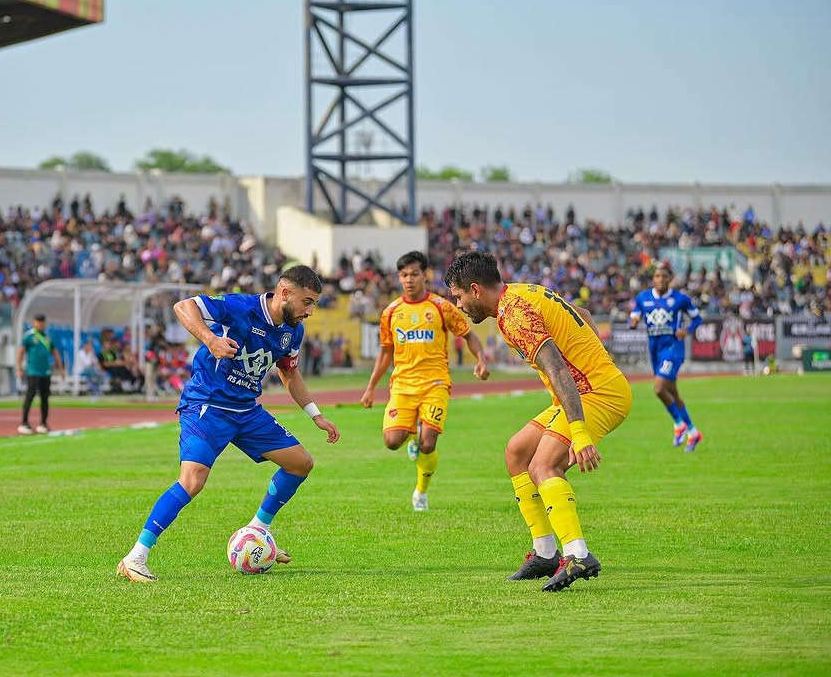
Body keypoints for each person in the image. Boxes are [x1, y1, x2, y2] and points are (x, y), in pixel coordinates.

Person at [117, 266, 340, 583]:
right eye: (307, 302)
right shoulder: (240, 307)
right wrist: (210, 340)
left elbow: (289, 373)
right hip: (208, 404)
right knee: (192, 481)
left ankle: (258, 529)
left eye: (314, 303)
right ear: (285, 292)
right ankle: (136, 556)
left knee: (300, 463)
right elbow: (184, 306)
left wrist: (316, 415)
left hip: (247, 411)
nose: (310, 311)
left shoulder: (293, 332)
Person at [445, 251, 632, 592]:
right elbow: (585, 314)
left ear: (474, 290)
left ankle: (578, 554)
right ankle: (546, 553)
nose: (458, 305)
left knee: (543, 467)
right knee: (517, 452)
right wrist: (595, 359)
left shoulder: (514, 315)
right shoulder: (520, 292)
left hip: (596, 393)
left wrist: (579, 431)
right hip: (588, 387)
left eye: (457, 297)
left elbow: (558, 369)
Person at [360, 250, 489, 512]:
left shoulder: (441, 307)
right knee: (392, 441)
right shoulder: (391, 312)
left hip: (435, 383)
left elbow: (468, 335)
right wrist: (371, 387)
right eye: (404, 275)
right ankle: (412, 439)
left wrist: (481, 359)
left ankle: (421, 491)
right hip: (403, 384)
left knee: (429, 441)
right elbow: (386, 352)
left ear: (425, 275)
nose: (409, 279)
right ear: (399, 278)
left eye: (414, 274)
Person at [629, 263, 704, 451]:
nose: (660, 279)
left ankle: (679, 424)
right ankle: (693, 432)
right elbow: (635, 314)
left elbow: (698, 318)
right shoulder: (643, 298)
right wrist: (634, 321)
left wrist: (687, 330)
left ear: (669, 279)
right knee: (673, 393)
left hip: (672, 349)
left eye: (663, 276)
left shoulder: (680, 299)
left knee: (659, 388)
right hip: (655, 350)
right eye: (656, 276)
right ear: (653, 279)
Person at [16, 314, 63, 434]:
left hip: (45, 372)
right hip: (33, 371)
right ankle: (24, 422)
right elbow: (21, 352)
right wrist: (19, 368)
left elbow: (55, 352)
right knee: (30, 396)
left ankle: (43, 423)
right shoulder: (29, 336)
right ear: (34, 323)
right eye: (38, 322)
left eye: (42, 323)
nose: (40, 325)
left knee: (45, 398)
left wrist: (60, 368)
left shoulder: (47, 337)